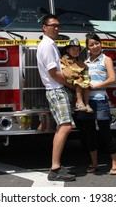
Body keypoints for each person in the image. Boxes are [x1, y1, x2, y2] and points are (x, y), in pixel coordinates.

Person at [36, 14, 76, 182]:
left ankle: (56, 166)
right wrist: (72, 85)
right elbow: (53, 72)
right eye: (53, 25)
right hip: (56, 89)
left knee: (63, 126)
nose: (57, 28)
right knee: (65, 127)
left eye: (58, 25)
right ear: (44, 27)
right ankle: (55, 168)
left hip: (56, 89)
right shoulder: (47, 45)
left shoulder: (48, 44)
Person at [76, 32, 116, 175]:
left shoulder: (106, 59)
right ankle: (94, 164)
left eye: (97, 43)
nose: (95, 46)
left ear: (100, 44)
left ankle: (115, 164)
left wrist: (96, 86)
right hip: (88, 102)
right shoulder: (86, 63)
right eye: (91, 44)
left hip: (101, 100)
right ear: (87, 47)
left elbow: (113, 78)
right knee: (89, 134)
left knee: (105, 132)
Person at [60, 38, 93, 113]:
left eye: (77, 50)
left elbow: (82, 68)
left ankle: (87, 104)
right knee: (79, 80)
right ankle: (79, 101)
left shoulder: (78, 61)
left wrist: (85, 77)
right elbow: (66, 71)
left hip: (78, 80)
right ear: (67, 50)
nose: (76, 51)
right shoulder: (64, 59)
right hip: (69, 80)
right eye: (73, 49)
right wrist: (77, 75)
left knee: (86, 83)